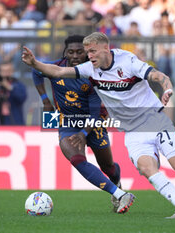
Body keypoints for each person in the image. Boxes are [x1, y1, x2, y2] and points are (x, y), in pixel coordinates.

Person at [22, 32, 175, 218]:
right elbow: (58, 71)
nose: (89, 56)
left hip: (154, 119)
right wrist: (35, 63)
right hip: (131, 131)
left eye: (92, 51)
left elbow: (158, 76)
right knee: (147, 168)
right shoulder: (90, 69)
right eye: (87, 52)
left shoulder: (128, 62)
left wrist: (167, 89)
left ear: (106, 48)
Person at [32, 35, 134, 214]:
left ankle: (116, 183)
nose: (75, 56)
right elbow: (36, 71)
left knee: (108, 167)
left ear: (87, 54)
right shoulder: (56, 67)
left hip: (93, 124)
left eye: (80, 52)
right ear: (65, 53)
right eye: (71, 52)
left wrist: (84, 134)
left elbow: (95, 115)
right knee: (77, 159)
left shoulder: (93, 76)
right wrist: (45, 100)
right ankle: (120, 194)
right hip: (68, 123)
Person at [0, 61, 27, 125]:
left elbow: (22, 98)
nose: (6, 74)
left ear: (13, 71)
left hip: (14, 121)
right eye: (3, 71)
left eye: (8, 71)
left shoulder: (18, 84)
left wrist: (8, 87)